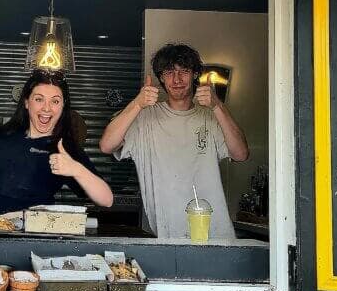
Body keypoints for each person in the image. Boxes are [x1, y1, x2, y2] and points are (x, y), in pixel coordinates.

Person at [100, 43, 249, 240]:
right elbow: (106, 145)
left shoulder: (210, 116)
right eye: (169, 72)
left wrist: (217, 106)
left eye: (184, 71)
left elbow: (241, 154)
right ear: (161, 77)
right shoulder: (145, 118)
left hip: (214, 233)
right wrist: (137, 104)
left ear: (195, 74)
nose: (177, 79)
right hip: (165, 235)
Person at [0, 69, 113, 214]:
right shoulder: (3, 137)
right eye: (39, 99)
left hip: (37, 240)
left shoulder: (64, 148)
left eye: (55, 101)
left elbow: (106, 200)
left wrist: (76, 169)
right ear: (26, 102)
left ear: (62, 106)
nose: (46, 108)